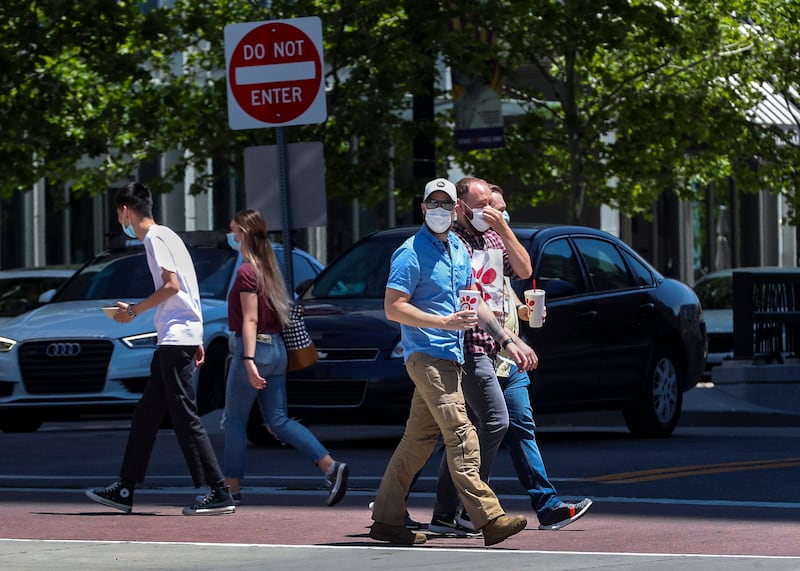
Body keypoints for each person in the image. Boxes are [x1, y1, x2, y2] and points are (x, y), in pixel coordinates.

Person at [369, 177, 537, 547]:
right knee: (463, 434)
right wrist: (442, 322)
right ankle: (489, 518)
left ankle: (385, 519)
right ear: (424, 209)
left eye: (448, 205)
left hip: (452, 356)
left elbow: (474, 298)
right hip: (427, 356)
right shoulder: (410, 252)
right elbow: (392, 306)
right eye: (436, 204)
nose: (442, 211)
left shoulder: (457, 249)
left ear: (454, 209)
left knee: (416, 443)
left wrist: (507, 339)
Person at [85, 182, 235, 516]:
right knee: (147, 415)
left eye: (118, 215)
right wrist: (196, 336)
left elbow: (172, 286)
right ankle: (125, 488)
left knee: (185, 417)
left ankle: (220, 491)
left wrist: (134, 311)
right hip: (178, 337)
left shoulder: (154, 239)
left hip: (174, 339)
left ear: (125, 211)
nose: (120, 222)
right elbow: (188, 287)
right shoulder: (169, 235)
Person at [428, 176, 534, 536]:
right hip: (466, 343)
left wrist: (504, 230)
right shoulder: (452, 241)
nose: (487, 210)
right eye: (480, 204)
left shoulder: (491, 236)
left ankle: (445, 513)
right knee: (494, 421)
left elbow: (523, 271)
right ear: (460, 206)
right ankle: (473, 506)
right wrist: (508, 340)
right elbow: (466, 294)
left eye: (491, 202)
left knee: (462, 432)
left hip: (492, 343)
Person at [222, 209, 348, 507]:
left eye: (233, 231)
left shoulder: (246, 272)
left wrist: (248, 360)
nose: (231, 237)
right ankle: (330, 466)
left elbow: (250, 320)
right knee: (278, 420)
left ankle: (230, 487)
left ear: (243, 234)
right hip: (277, 348)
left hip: (255, 349)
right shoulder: (269, 269)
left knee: (234, 422)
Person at [488, 186, 593, 530]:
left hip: (510, 359)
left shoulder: (495, 244)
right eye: (496, 208)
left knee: (521, 428)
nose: (503, 215)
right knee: (451, 437)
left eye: (504, 209)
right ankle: (393, 500)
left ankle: (547, 506)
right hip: (480, 355)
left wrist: (521, 308)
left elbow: (517, 276)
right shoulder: (463, 247)